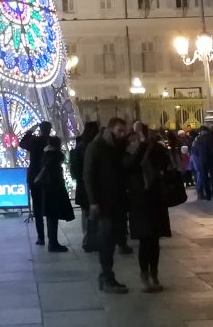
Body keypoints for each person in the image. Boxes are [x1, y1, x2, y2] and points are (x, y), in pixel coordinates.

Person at [84, 117, 130, 294]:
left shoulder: (116, 147)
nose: (122, 134)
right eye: (119, 131)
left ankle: (107, 276)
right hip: (104, 203)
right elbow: (88, 175)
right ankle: (107, 277)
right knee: (106, 241)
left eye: (124, 131)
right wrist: (93, 201)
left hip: (116, 201)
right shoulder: (96, 147)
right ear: (110, 130)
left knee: (111, 240)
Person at [126, 130, 172, 293]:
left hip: (154, 201)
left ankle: (154, 274)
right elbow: (130, 167)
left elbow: (166, 164)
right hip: (140, 203)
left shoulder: (153, 150)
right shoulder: (129, 156)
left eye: (138, 139)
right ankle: (145, 275)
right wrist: (141, 149)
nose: (136, 143)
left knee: (154, 242)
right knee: (145, 242)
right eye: (132, 141)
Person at [34, 135, 74, 253]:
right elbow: (56, 175)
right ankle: (53, 243)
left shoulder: (45, 155)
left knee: (50, 217)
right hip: (54, 190)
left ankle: (52, 241)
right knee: (53, 217)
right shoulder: (55, 156)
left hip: (47, 190)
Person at [19, 121, 53, 245]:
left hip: (35, 177)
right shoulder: (52, 142)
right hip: (49, 178)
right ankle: (52, 238)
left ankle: (41, 237)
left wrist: (30, 131)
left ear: (40, 129)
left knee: (37, 208)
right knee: (50, 209)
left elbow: (22, 143)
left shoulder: (35, 141)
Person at [69, 121, 99, 251]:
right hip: (89, 184)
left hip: (82, 184)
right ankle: (90, 239)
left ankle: (87, 238)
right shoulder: (89, 147)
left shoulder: (79, 146)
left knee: (85, 212)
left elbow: (75, 169)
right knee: (90, 213)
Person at [190, 127, 213, 200]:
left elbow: (194, 151)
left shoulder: (197, 139)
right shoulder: (211, 138)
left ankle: (205, 194)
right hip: (211, 159)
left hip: (201, 160)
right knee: (212, 176)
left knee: (203, 177)